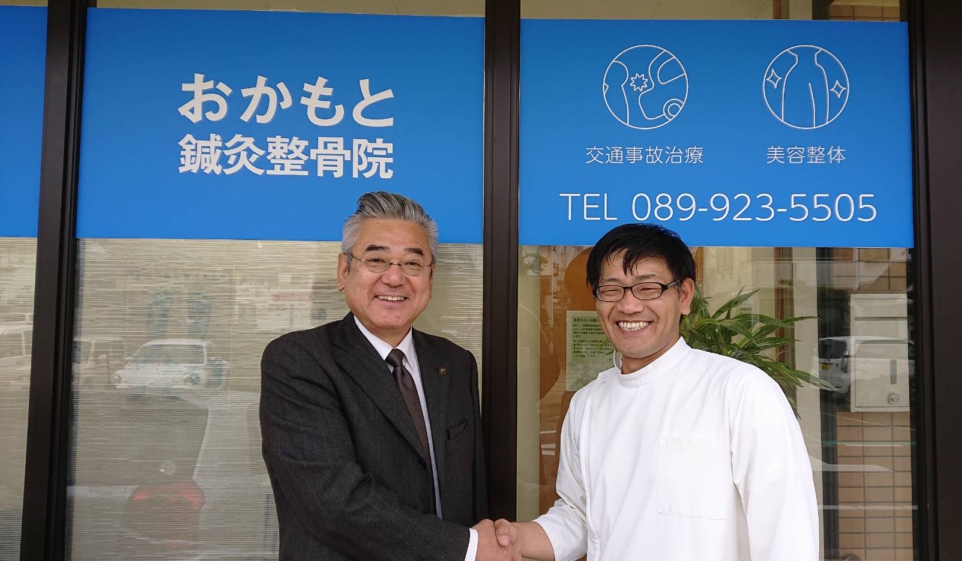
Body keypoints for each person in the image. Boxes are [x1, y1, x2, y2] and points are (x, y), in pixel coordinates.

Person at [493, 223, 819, 560]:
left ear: (684, 295)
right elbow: (579, 518)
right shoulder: (587, 404)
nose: (629, 305)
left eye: (648, 288)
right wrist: (514, 539)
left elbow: (787, 536)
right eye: (611, 289)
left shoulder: (741, 390)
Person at [260, 192, 517, 560]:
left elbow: (471, 492)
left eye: (412, 263)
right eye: (376, 260)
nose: (394, 278)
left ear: (430, 277)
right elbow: (334, 502)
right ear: (343, 270)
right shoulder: (299, 360)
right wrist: (468, 548)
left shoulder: (455, 363)